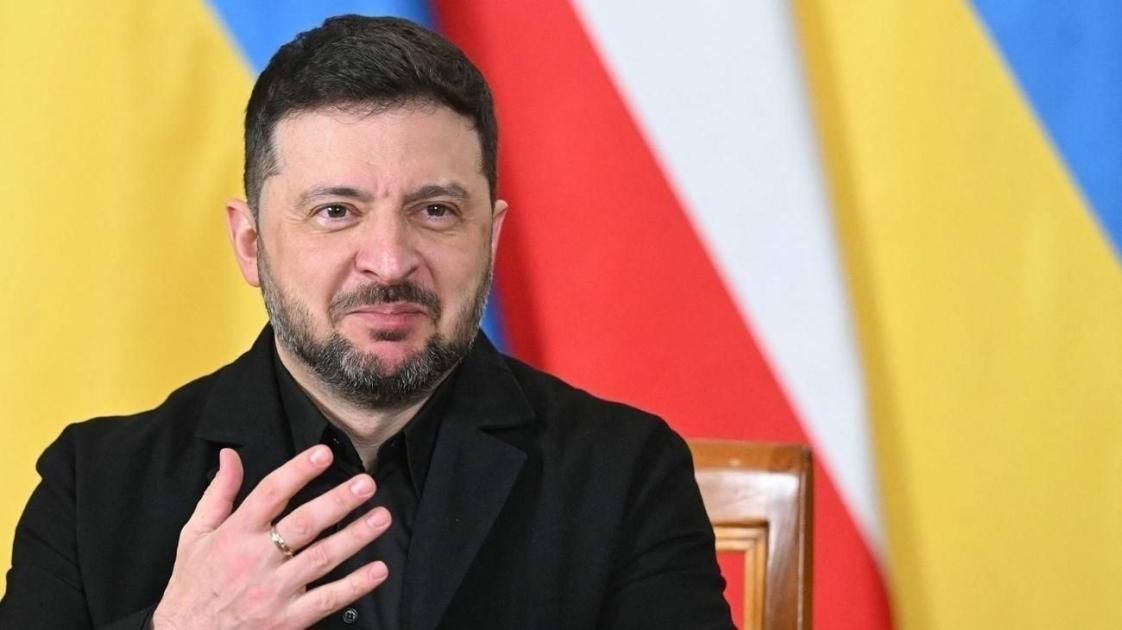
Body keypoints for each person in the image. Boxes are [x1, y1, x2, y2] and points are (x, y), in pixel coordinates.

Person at [0, 15, 732, 630]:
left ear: (491, 239)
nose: (388, 261)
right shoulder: (92, 487)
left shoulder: (626, 473)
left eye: (435, 211)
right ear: (250, 244)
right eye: (335, 212)